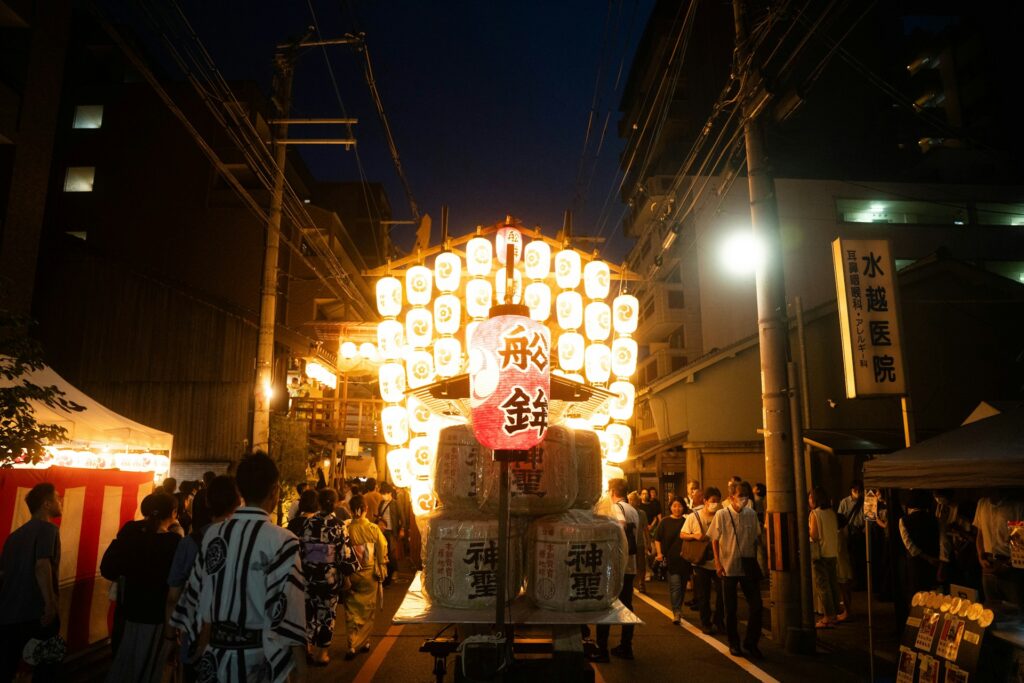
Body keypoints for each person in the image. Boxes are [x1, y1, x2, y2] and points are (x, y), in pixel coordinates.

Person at [170, 452, 308, 682]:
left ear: (241, 490)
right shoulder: (284, 540)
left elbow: (203, 595)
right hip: (258, 657)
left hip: (214, 656)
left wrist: (200, 644)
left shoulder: (213, 534)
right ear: (275, 491)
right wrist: (301, 668)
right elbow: (289, 608)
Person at [165, 476, 240, 682]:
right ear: (238, 503)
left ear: (207, 503)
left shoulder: (189, 543)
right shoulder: (244, 543)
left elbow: (173, 596)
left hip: (194, 634)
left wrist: (170, 636)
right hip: (233, 640)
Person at [101, 492, 180, 682]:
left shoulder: (130, 530)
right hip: (155, 615)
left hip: (127, 611)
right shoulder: (173, 542)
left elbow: (107, 568)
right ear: (173, 513)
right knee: (148, 666)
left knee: (124, 663)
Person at [0, 483, 63, 683]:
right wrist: (50, 604)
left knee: (8, 667)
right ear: (46, 504)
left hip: (8, 614)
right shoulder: (48, 529)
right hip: (36, 613)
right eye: (57, 498)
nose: (61, 501)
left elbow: (3, 573)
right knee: (44, 668)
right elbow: (42, 565)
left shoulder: (13, 537)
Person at [293, 488, 351, 666]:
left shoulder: (308, 523)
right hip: (329, 577)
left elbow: (300, 549)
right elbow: (344, 554)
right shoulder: (339, 525)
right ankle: (322, 654)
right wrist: (346, 575)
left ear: (318, 503)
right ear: (336, 504)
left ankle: (308, 648)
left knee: (308, 612)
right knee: (327, 614)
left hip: (309, 575)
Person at [710, 481, 763, 659]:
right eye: (741, 496)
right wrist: (718, 563)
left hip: (748, 566)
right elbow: (714, 539)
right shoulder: (722, 514)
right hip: (729, 567)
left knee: (757, 606)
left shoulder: (751, 514)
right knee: (731, 609)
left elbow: (757, 539)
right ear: (732, 497)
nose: (744, 499)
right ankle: (734, 643)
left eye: (746, 496)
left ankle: (751, 642)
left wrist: (761, 561)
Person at [591, 479, 639, 662]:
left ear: (611, 491)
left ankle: (602, 650)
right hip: (630, 565)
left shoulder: (616, 508)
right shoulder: (633, 509)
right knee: (627, 605)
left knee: (606, 606)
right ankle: (626, 646)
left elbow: (620, 524)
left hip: (617, 565)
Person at [343, 494, 388, 659]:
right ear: (366, 509)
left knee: (351, 609)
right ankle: (365, 641)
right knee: (368, 609)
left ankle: (352, 643)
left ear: (350, 510)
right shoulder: (373, 528)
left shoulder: (347, 529)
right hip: (369, 574)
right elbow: (382, 547)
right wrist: (381, 565)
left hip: (352, 573)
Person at [683, 487, 725, 635]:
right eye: (713, 501)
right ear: (705, 501)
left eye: (718, 501)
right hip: (700, 562)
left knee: (722, 594)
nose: (715, 504)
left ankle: (719, 621)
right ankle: (706, 622)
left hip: (720, 562)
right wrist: (694, 536)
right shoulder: (694, 517)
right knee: (703, 595)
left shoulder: (722, 516)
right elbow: (683, 534)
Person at [974, 490, 1024, 607]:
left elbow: (1020, 543)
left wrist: (1008, 564)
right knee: (991, 609)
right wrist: (980, 556)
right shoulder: (982, 503)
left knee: (1014, 609)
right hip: (988, 564)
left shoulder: (1017, 506)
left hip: (1010, 567)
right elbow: (980, 534)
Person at [808, 487, 842, 629]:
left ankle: (828, 616)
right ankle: (835, 614)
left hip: (820, 554)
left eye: (810, 497)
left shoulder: (815, 514)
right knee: (833, 583)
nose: (809, 500)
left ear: (815, 499)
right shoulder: (831, 513)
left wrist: (806, 530)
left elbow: (814, 535)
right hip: (832, 552)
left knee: (823, 586)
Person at [899, 489, 941, 598]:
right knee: (931, 595)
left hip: (915, 563)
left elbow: (910, 546)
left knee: (916, 594)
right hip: (934, 560)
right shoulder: (934, 519)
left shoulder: (903, 520)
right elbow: (939, 539)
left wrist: (926, 557)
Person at [654, 496, 689, 623]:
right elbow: (657, 539)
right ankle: (676, 611)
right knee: (675, 586)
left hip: (685, 559)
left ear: (683, 507)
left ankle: (678, 607)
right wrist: (659, 553)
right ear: (670, 507)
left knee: (682, 587)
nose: (677, 508)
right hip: (671, 559)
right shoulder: (664, 522)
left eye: (680, 506)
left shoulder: (687, 521)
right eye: (674, 506)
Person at [374, 483, 403, 585]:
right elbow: (379, 515)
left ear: (390, 493)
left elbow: (402, 517)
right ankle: (388, 575)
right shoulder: (381, 503)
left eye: (384, 493)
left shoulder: (395, 503)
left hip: (391, 531)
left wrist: (402, 529)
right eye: (382, 494)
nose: (383, 496)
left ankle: (391, 574)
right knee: (384, 553)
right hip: (382, 531)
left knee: (390, 553)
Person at [628, 491, 651, 592]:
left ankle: (642, 583)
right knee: (629, 564)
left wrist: (648, 543)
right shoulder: (626, 512)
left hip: (639, 543)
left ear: (638, 502)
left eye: (634, 500)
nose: (631, 502)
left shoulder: (642, 513)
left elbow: (645, 529)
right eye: (630, 500)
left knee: (641, 564)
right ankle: (631, 583)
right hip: (628, 543)